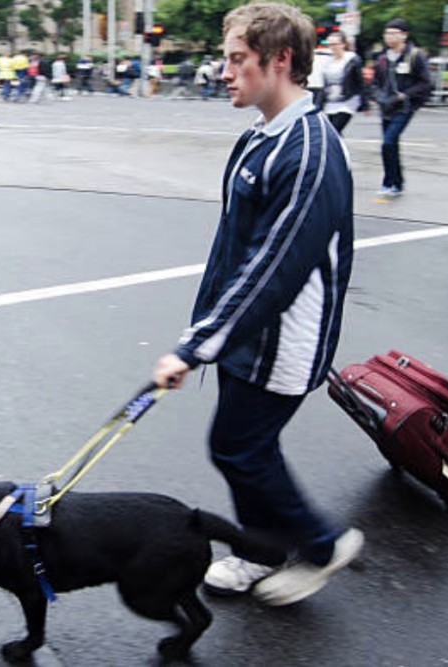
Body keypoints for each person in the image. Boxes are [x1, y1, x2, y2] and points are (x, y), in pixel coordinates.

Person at [151, 1, 362, 607]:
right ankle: (261, 549)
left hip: (283, 342)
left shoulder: (311, 151)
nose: (224, 71)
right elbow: (234, 252)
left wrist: (196, 346)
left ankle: (323, 544)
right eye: (226, 58)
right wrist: (208, 329)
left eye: (237, 59)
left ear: (280, 60)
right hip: (246, 335)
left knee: (239, 447)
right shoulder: (260, 137)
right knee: (245, 447)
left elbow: (274, 269)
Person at [370, 18, 431, 197]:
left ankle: (388, 181)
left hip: (404, 107)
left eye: (393, 33)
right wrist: (377, 96)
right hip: (386, 106)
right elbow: (375, 82)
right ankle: (397, 182)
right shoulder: (382, 58)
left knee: (388, 142)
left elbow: (426, 82)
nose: (389, 37)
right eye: (387, 33)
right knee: (392, 145)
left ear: (404, 35)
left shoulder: (414, 55)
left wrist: (405, 95)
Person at [316, 32, 365, 133]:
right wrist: (319, 103)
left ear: (343, 44)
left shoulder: (352, 60)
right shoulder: (328, 62)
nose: (332, 47)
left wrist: (365, 102)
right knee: (333, 133)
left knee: (334, 130)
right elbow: (325, 85)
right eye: (330, 44)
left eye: (335, 44)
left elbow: (360, 82)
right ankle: (339, 148)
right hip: (331, 101)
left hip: (348, 101)